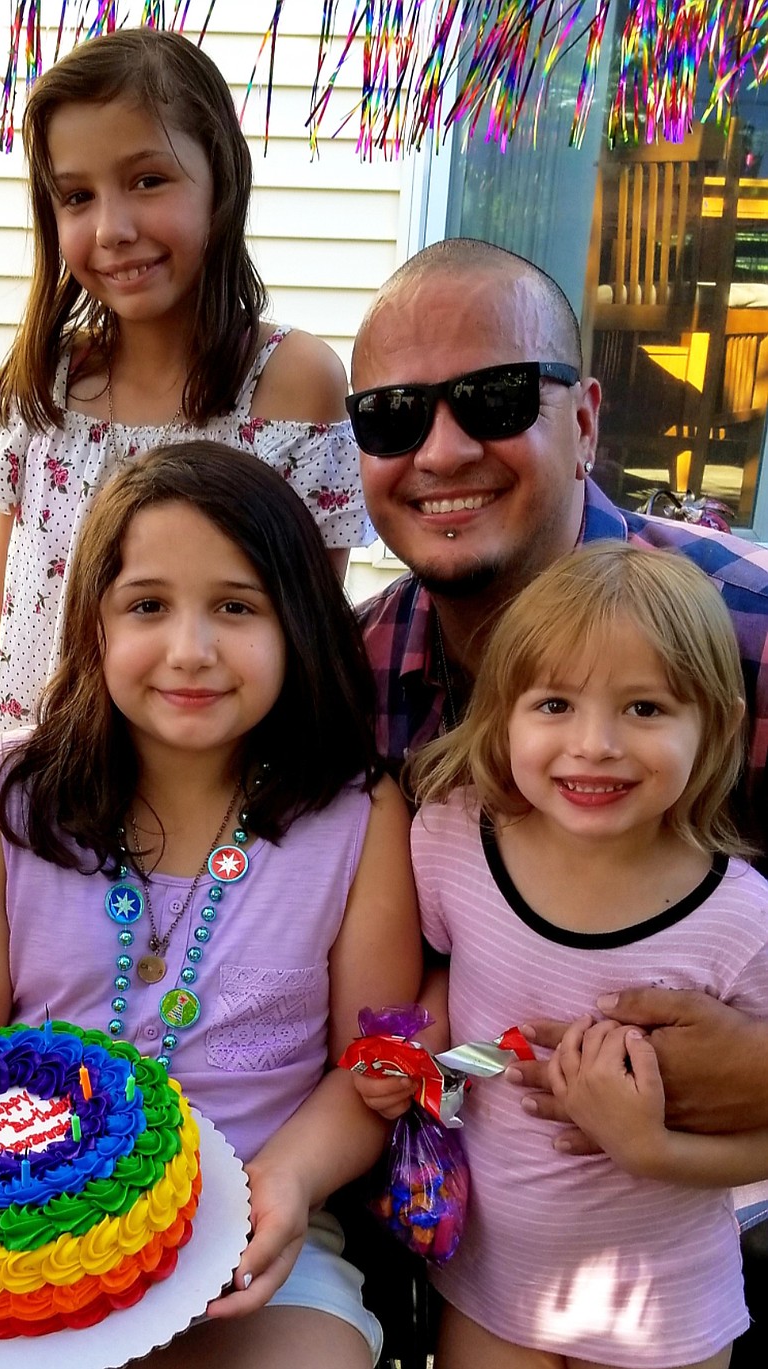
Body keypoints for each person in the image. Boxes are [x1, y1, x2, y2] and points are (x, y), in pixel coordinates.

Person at [0, 441, 421, 1367]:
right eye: (148, 605)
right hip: (21, 1229)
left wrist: (290, 1182)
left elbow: (370, 1065)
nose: (191, 650)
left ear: (297, 622)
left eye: (236, 606)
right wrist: (40, 1242)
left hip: (255, 1233)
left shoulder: (357, 814)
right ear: (93, 624)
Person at [350, 236, 768, 1138]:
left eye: (494, 398)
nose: (442, 451)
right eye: (391, 416)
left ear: (584, 422)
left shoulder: (752, 625)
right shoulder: (354, 666)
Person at [360, 542, 768, 1368]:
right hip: (489, 1288)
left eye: (645, 709)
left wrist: (650, 1147)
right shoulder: (450, 842)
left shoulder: (740, 921)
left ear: (716, 723)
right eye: (554, 704)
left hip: (666, 1309)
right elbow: (454, 976)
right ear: (504, 711)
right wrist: (415, 1052)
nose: (596, 744)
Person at [0, 27, 370, 747]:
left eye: (148, 180)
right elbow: (3, 616)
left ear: (220, 178)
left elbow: (309, 630)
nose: (113, 228)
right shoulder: (44, 387)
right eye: (77, 196)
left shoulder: (294, 387)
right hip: (45, 790)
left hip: (216, 809)